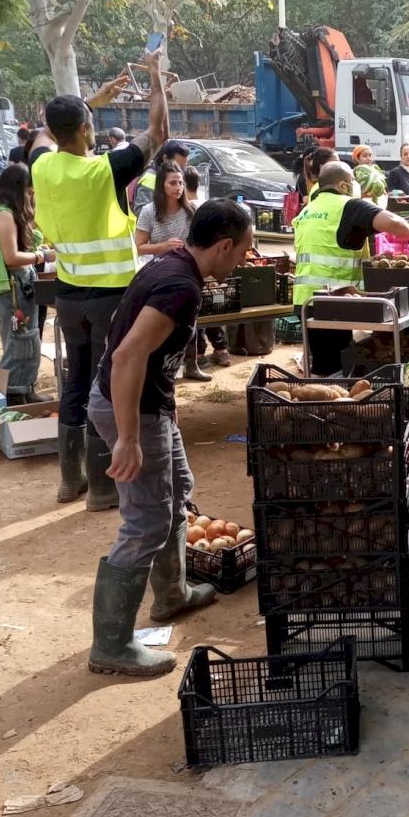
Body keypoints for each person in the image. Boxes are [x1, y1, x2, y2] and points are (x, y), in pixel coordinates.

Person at [86, 200, 254, 677]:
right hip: (130, 409)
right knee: (146, 522)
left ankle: (173, 593)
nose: (244, 259)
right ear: (224, 246)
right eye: (244, 250)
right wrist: (128, 437)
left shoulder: (176, 264)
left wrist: (165, 398)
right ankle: (111, 645)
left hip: (148, 404)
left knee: (178, 489)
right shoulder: (180, 285)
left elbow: (145, 350)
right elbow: (127, 356)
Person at [31, 52, 165, 510]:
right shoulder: (104, 169)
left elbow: (45, 133)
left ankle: (71, 480)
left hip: (69, 296)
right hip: (112, 297)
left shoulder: (42, 165)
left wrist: (88, 103)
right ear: (88, 130)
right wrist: (155, 79)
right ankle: (104, 488)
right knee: (104, 384)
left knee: (75, 381)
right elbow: (158, 133)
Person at [293, 161, 409, 374]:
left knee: (326, 366)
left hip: (305, 300)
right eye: (352, 181)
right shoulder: (347, 205)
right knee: (335, 370)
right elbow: (396, 224)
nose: (355, 186)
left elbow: (332, 246)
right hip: (332, 301)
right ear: (343, 185)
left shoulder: (308, 209)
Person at [0, 163, 55, 405]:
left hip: (3, 289)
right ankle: (14, 395)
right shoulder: (4, 214)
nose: (31, 197)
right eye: (29, 192)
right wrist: (42, 256)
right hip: (12, 288)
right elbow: (11, 257)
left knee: (21, 340)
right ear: (19, 189)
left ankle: (25, 390)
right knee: (22, 342)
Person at [182, 167, 232, 370]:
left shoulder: (189, 209)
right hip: (211, 267)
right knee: (213, 306)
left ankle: (201, 352)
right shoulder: (207, 204)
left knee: (200, 311)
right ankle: (220, 349)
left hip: (199, 265)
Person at [132, 139, 189, 213]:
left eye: (184, 166)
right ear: (165, 158)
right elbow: (140, 211)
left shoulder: (178, 177)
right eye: (177, 165)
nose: (181, 170)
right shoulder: (150, 177)